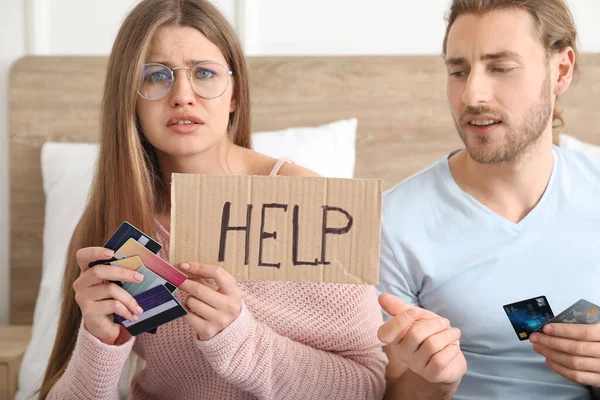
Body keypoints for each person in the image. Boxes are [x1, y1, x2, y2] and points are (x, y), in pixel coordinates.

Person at [38, 1, 386, 398]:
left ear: (234, 94)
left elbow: (368, 386)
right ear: (129, 99)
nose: (183, 95)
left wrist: (240, 339)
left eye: (204, 73)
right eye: (155, 76)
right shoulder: (113, 220)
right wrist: (99, 344)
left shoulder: (310, 202)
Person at [376, 0, 600, 399]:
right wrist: (434, 380)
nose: (472, 94)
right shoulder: (391, 224)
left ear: (560, 70)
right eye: (458, 70)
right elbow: (384, 391)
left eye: (500, 68)